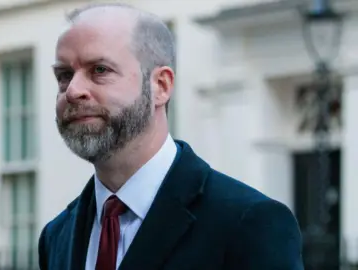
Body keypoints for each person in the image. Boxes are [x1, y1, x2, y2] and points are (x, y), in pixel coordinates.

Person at [38, 3, 304, 270]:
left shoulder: (249, 223)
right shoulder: (56, 236)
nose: (72, 91)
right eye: (64, 75)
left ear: (161, 86)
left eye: (99, 70)